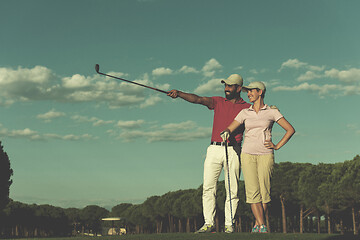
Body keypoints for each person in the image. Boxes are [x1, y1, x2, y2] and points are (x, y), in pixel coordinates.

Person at [167, 74, 251, 233]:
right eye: (225, 85)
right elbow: (198, 99)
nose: (226, 88)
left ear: (239, 88)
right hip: (214, 149)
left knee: (232, 189)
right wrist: (179, 93)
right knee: (208, 187)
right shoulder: (218, 101)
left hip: (233, 150)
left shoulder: (247, 107)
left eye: (230, 86)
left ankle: (229, 225)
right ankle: (208, 223)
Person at [221, 81, 295, 233]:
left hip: (266, 155)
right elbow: (231, 126)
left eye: (251, 91)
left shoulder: (272, 112)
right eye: (247, 92)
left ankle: (258, 224)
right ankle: (262, 225)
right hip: (247, 155)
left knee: (264, 193)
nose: (248, 94)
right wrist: (226, 132)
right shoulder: (244, 113)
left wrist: (277, 146)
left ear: (260, 92)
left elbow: (290, 130)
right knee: (252, 192)